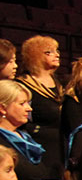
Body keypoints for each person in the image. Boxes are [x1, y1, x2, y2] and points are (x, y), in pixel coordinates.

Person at [0, 81, 49, 180]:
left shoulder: (25, 139)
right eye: (22, 103)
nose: (29, 108)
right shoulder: (1, 142)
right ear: (2, 108)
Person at [15, 36, 63, 169]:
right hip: (41, 148)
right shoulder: (23, 86)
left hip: (61, 147)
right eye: (49, 52)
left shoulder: (60, 84)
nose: (56, 55)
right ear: (34, 56)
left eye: (56, 51)